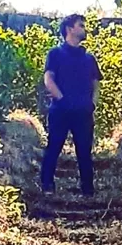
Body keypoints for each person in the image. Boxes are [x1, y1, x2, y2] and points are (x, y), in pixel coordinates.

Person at [40, 13, 101, 195]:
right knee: (54, 146)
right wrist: (62, 99)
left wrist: (92, 104)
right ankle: (47, 185)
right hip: (61, 110)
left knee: (84, 150)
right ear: (69, 29)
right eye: (80, 25)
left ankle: (88, 189)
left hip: (83, 111)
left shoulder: (89, 59)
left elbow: (95, 84)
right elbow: (48, 79)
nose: (84, 29)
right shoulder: (56, 54)